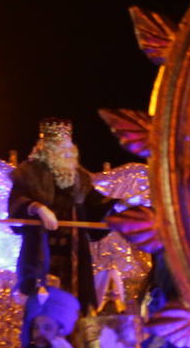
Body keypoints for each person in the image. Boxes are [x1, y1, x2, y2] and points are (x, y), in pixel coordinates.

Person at [8, 118, 115, 310]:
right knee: (42, 311)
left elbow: (96, 207)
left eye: (68, 146)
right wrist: (37, 208)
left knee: (75, 308)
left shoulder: (79, 178)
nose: (67, 151)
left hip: (73, 256)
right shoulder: (28, 174)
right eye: (60, 146)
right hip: (41, 253)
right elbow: (16, 203)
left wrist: (119, 207)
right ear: (47, 149)